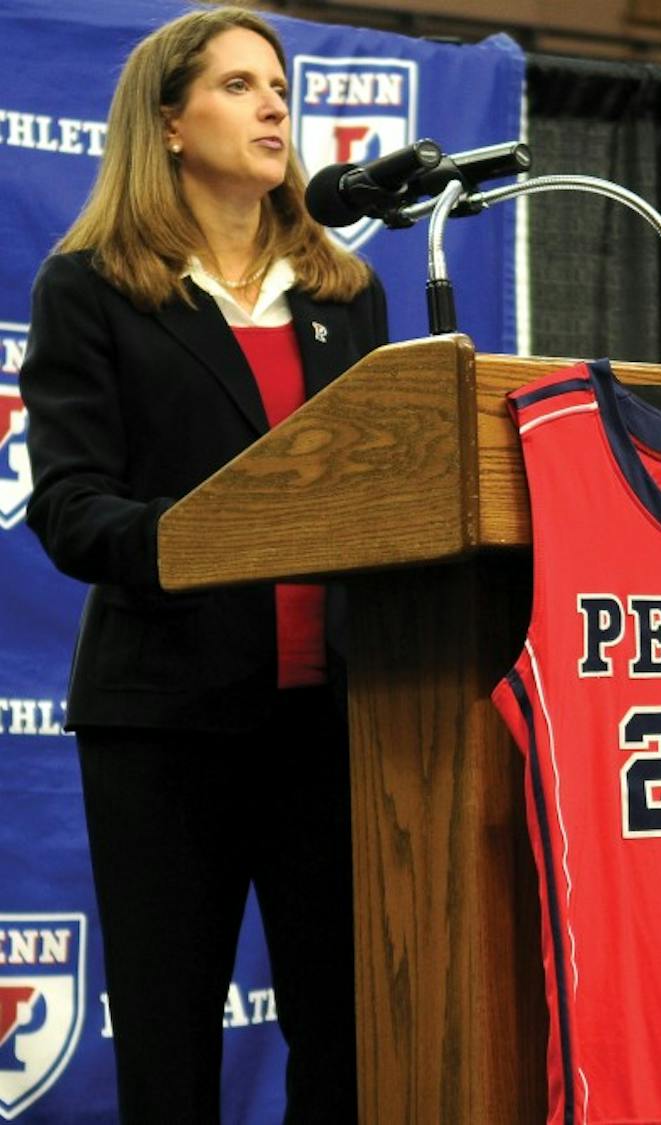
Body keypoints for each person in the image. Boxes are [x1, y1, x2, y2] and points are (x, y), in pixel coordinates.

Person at [19, 7, 387, 1122]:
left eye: (279, 84)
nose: (275, 103)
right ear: (169, 123)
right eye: (237, 85)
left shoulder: (345, 297)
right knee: (169, 1047)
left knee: (353, 1043)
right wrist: (225, 531)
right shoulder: (91, 288)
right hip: (168, 724)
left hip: (334, 724)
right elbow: (74, 510)